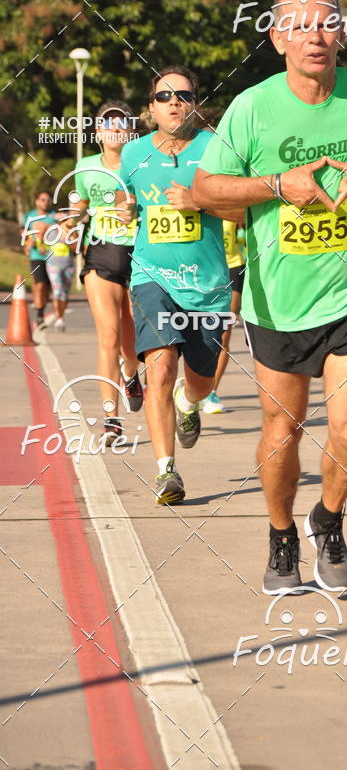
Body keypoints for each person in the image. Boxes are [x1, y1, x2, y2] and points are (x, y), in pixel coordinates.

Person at [193, 0, 347, 594]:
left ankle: (329, 519)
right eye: (298, 25)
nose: (314, 36)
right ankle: (281, 536)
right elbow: (206, 189)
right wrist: (275, 186)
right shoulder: (252, 107)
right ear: (277, 38)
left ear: (340, 32)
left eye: (325, 23)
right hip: (279, 303)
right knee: (282, 432)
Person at [116, 66, 237, 505]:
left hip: (207, 285)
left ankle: (190, 403)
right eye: (164, 96)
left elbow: (247, 211)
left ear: (195, 105)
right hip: (153, 276)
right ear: (151, 107)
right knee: (161, 366)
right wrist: (126, 209)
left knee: (200, 383)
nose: (173, 103)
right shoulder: (133, 154)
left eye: (183, 96)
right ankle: (166, 472)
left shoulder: (217, 149)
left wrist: (199, 201)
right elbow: (125, 198)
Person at [74, 101, 143, 443]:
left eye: (121, 123)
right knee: (109, 337)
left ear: (130, 131)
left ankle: (130, 374)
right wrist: (69, 219)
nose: (115, 129)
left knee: (131, 343)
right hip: (101, 254)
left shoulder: (143, 161)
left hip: (139, 255)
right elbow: (79, 205)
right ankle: (111, 420)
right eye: (107, 124)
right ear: (98, 131)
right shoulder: (85, 166)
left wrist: (135, 208)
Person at [201, 220, 246, 414]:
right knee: (197, 331)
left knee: (224, 334)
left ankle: (211, 392)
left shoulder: (232, 209)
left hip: (232, 268)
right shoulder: (203, 207)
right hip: (205, 270)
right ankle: (194, 385)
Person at [20, 190, 55, 329]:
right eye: (42, 199)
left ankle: (41, 307)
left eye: (47, 200)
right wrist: (28, 242)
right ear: (37, 201)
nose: (45, 202)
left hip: (52, 255)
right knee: (39, 284)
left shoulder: (54, 216)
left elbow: (60, 231)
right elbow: (23, 231)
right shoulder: (29, 216)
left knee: (46, 287)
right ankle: (40, 315)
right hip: (36, 255)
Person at [42, 212, 76, 330]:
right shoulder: (50, 230)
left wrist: (68, 240)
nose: (61, 223)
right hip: (53, 265)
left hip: (68, 265)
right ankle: (58, 319)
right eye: (59, 221)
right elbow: (42, 246)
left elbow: (76, 248)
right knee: (57, 291)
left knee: (65, 293)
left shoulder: (71, 232)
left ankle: (61, 316)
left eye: (64, 220)